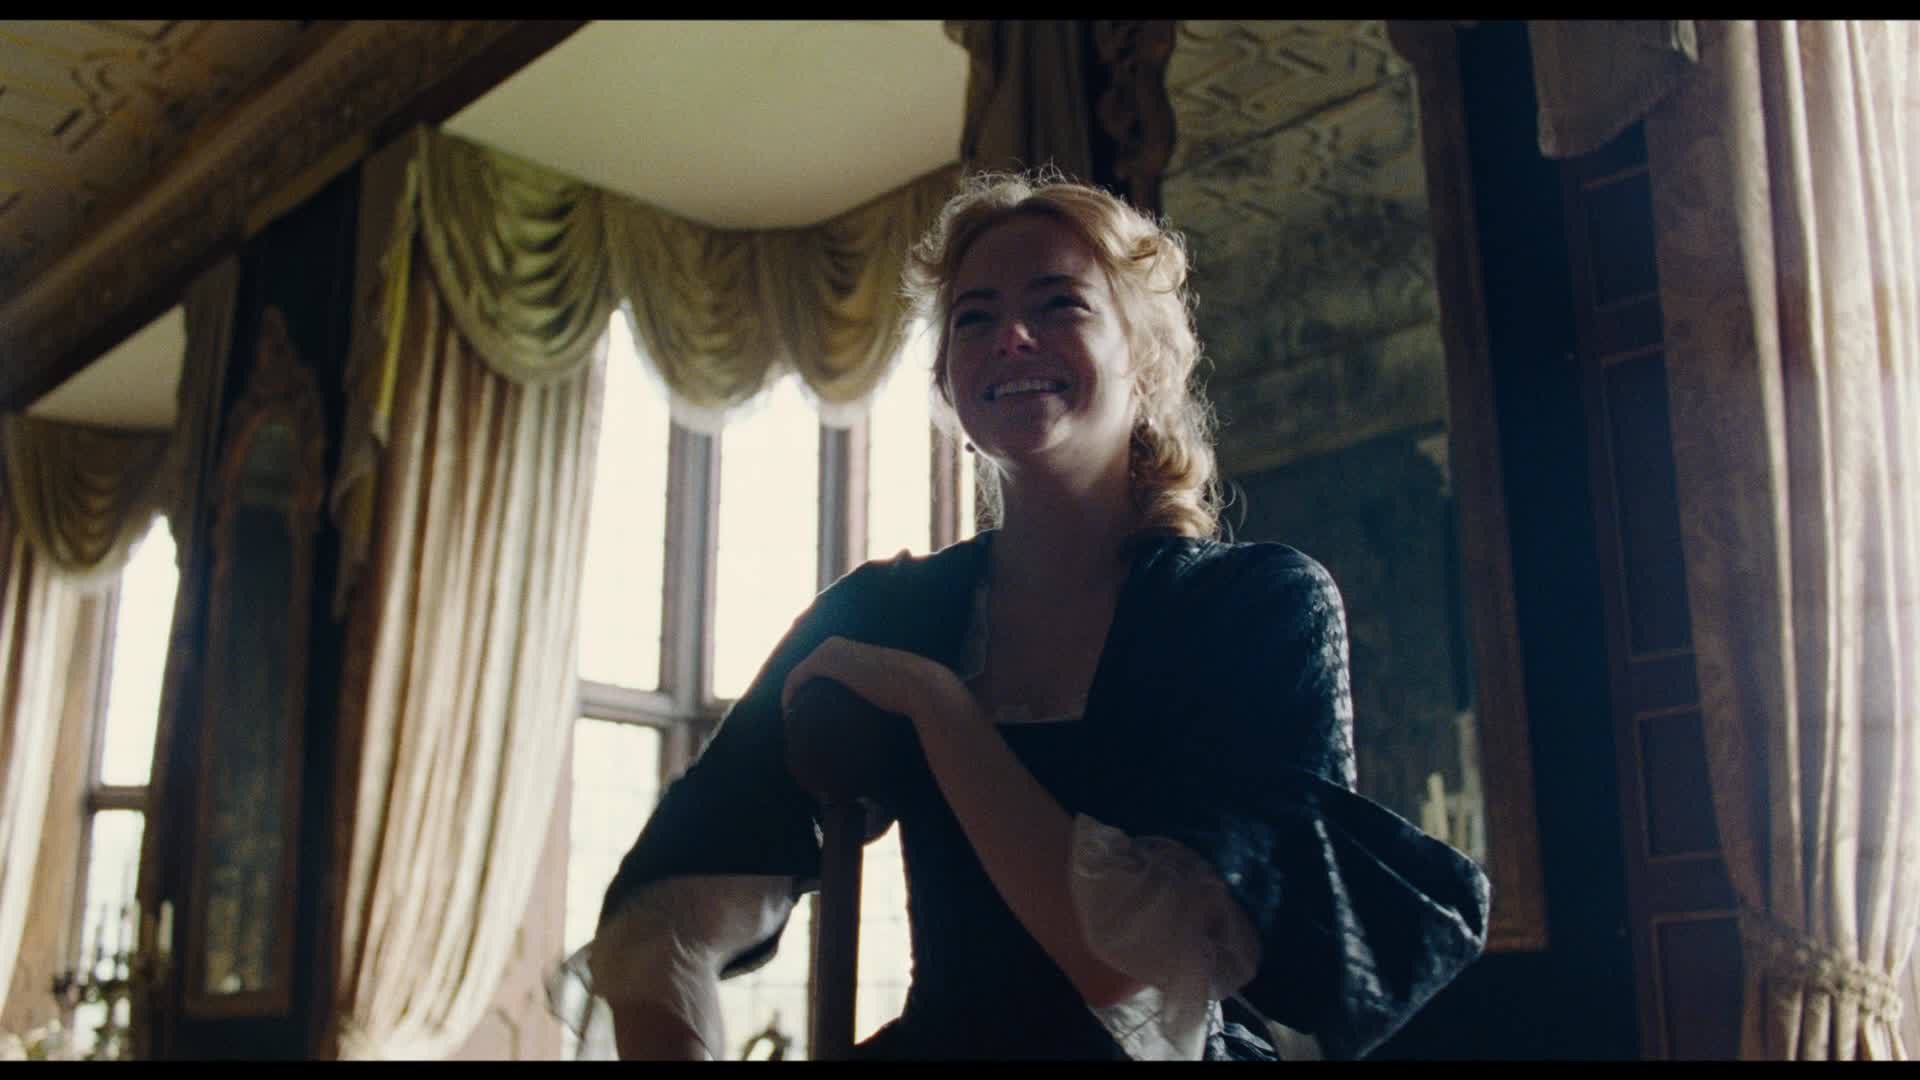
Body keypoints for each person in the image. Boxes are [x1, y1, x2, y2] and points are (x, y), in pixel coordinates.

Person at [563, 169, 1490, 1061]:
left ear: (1147, 361)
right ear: (947, 380)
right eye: (974, 317)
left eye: (1059, 305)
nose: (1010, 335)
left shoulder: (1256, 605)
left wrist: (938, 705)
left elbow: (1124, 970)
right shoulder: (885, 611)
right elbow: (661, 917)